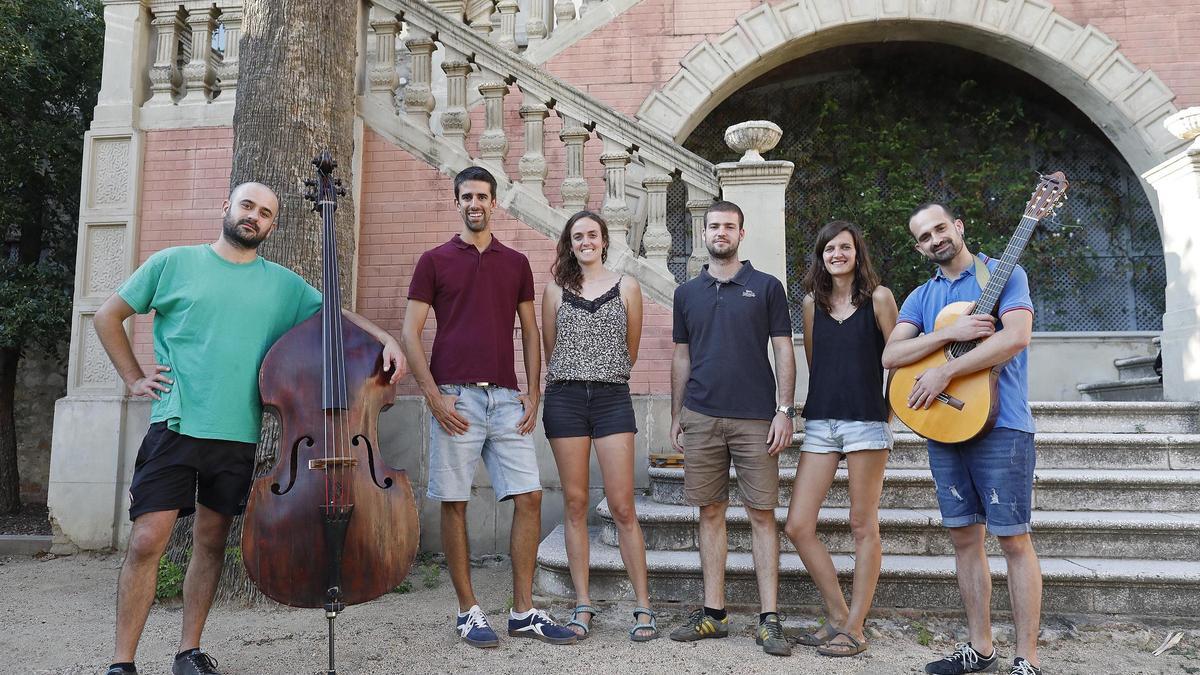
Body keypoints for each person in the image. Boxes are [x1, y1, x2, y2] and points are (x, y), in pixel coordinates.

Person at [95, 183, 404, 675]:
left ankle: (188, 651)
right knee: (146, 540)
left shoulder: (282, 284)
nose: (253, 216)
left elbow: (336, 317)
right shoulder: (172, 262)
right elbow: (109, 315)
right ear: (226, 207)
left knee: (211, 541)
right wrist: (133, 376)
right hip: (175, 423)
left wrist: (387, 339)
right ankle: (122, 662)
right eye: (247, 206)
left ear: (272, 226)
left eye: (264, 213)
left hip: (236, 434)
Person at [400, 166, 576, 648]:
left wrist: (533, 391)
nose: (474, 203)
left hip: (505, 399)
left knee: (530, 496)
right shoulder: (434, 260)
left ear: (495, 203)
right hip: (455, 396)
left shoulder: (516, 262)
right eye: (466, 196)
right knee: (455, 501)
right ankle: (467, 611)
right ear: (456, 202)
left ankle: (523, 611)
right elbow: (409, 332)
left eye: (482, 196)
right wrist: (433, 396)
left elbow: (531, 331)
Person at [882, 203, 1042, 675]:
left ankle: (1026, 658)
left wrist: (946, 370)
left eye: (940, 228)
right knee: (964, 539)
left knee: (1013, 540)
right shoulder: (919, 297)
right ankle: (981, 647)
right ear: (919, 247)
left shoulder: (1005, 273)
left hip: (1003, 424)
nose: (935, 239)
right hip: (945, 426)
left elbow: (1015, 337)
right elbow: (893, 353)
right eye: (924, 236)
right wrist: (947, 335)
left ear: (958, 227)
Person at [667, 200, 796, 657]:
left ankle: (769, 620)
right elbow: (681, 356)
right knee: (710, 512)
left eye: (729, 226)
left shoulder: (766, 287)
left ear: (742, 233)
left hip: (756, 417)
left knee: (762, 514)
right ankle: (714, 615)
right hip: (701, 415)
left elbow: (783, 350)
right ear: (703, 233)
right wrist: (676, 412)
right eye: (714, 226)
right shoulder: (687, 293)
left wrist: (785, 409)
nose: (721, 232)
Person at [540, 211, 657, 642]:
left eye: (592, 234)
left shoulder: (628, 286)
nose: (586, 241)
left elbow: (631, 350)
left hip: (611, 398)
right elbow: (551, 349)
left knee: (623, 506)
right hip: (565, 398)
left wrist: (600, 370)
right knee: (573, 503)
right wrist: (575, 372)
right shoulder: (554, 290)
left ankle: (643, 605)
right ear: (570, 244)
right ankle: (583, 604)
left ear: (604, 240)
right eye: (578, 236)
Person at [784, 221, 897, 658]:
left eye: (844, 247)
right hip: (821, 424)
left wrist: (886, 414)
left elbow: (899, 360)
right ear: (821, 255)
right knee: (797, 525)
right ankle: (836, 616)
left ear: (857, 253)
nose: (837, 254)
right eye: (829, 248)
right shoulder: (813, 304)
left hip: (866, 424)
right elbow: (818, 361)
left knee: (862, 525)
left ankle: (856, 627)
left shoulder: (881, 299)